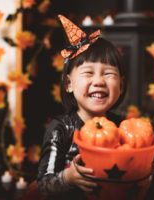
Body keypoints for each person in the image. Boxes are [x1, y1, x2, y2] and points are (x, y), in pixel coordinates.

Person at [36, 14, 127, 200]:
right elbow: (44, 184)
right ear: (69, 84)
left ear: (122, 85)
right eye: (88, 73)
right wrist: (68, 178)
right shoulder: (60, 129)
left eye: (108, 74)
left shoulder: (123, 128)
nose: (99, 81)